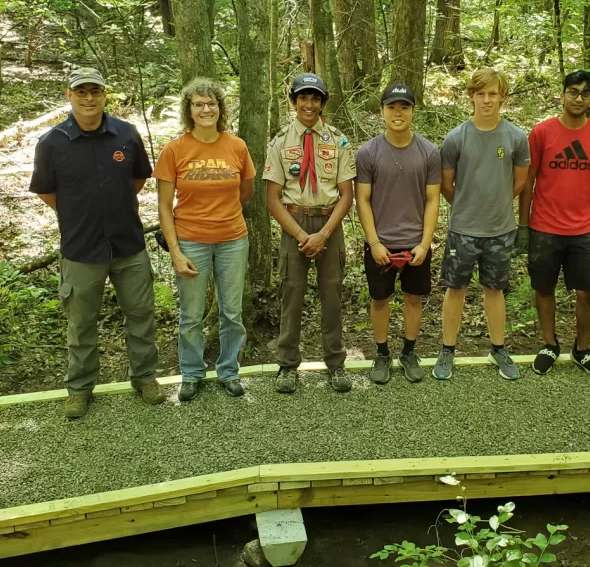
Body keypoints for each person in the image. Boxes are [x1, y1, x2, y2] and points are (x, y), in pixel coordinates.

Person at [29, 67, 164, 418]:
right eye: (81, 92)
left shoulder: (127, 134)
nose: (89, 98)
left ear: (105, 95)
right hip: (81, 249)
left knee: (140, 315)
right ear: (69, 96)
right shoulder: (51, 142)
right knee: (81, 323)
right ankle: (80, 389)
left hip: (128, 244)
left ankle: (145, 377)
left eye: (95, 91)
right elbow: (46, 190)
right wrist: (80, 213)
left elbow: (137, 180)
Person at [154, 78, 255, 402]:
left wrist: (222, 214)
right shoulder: (175, 149)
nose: (206, 109)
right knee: (191, 314)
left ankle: (229, 371)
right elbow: (164, 207)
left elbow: (246, 192)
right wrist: (175, 251)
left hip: (232, 240)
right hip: (191, 241)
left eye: (211, 103)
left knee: (231, 312)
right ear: (189, 110)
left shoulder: (236, 146)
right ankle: (192, 373)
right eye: (199, 104)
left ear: (220, 108)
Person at [434, 67, 531, 381]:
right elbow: (447, 186)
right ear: (471, 96)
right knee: (455, 289)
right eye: (481, 94)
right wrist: (469, 207)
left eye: (493, 94)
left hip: (500, 230)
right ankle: (448, 349)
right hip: (463, 229)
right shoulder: (456, 138)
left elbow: (518, 182)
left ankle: (498, 347)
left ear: (502, 97)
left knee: (495, 289)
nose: (486, 100)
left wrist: (495, 205)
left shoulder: (515, 137)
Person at [517, 70, 590, 377]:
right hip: (544, 227)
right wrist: (522, 226)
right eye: (573, 91)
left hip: (583, 230)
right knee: (544, 288)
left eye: (586, 93)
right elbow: (528, 181)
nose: (578, 98)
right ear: (562, 94)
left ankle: (582, 350)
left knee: (589, 293)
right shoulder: (542, 132)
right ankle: (549, 343)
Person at [264, 73, 355, 393]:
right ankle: (287, 366)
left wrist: (325, 234)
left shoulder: (338, 140)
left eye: (315, 98)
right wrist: (302, 235)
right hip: (294, 226)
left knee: (332, 296)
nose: (309, 103)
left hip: (329, 226)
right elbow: (272, 198)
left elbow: (347, 195)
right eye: (303, 97)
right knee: (292, 294)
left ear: (322, 103)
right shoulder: (279, 142)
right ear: (293, 101)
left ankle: (335, 363)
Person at [355, 82, 441, 384]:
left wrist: (425, 242)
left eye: (404, 106)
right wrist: (374, 241)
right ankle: (381, 353)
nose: (398, 113)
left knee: (413, 299)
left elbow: (433, 199)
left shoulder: (429, 152)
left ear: (413, 111)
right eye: (391, 106)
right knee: (380, 300)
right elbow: (362, 200)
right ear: (382, 111)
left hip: (416, 244)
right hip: (381, 245)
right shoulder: (368, 152)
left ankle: (408, 352)